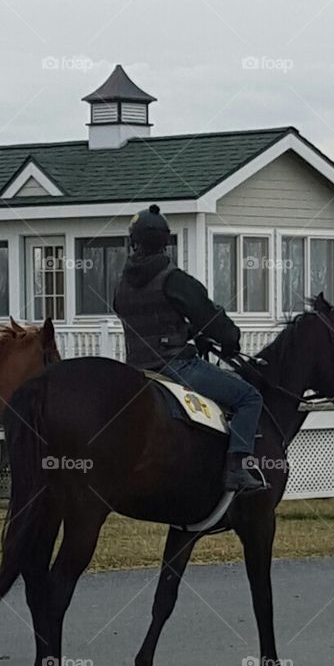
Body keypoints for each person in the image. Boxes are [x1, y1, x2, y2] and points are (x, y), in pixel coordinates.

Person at [112, 204, 265, 493]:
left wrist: (191, 332)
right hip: (176, 368)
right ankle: (236, 468)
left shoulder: (120, 284)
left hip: (137, 370)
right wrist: (230, 339)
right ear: (164, 242)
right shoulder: (173, 279)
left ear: (134, 241)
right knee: (248, 397)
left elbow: (155, 318)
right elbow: (213, 320)